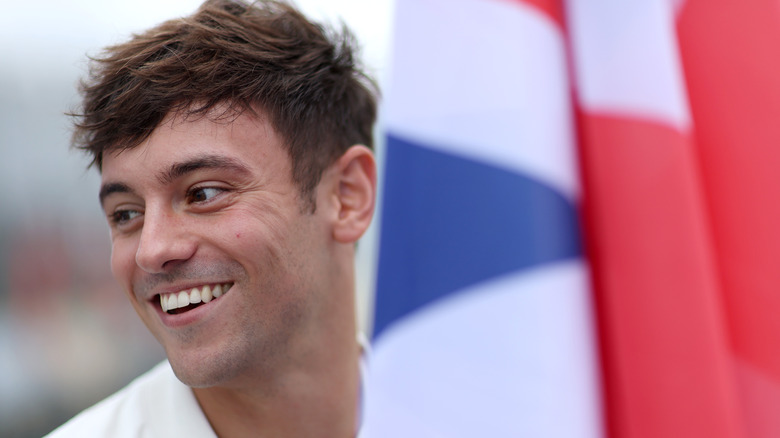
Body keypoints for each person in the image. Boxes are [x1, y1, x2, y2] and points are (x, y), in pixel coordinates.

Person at [46, 0, 378, 436]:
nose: (152, 250)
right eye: (126, 214)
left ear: (347, 196)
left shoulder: (481, 415)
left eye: (202, 193)